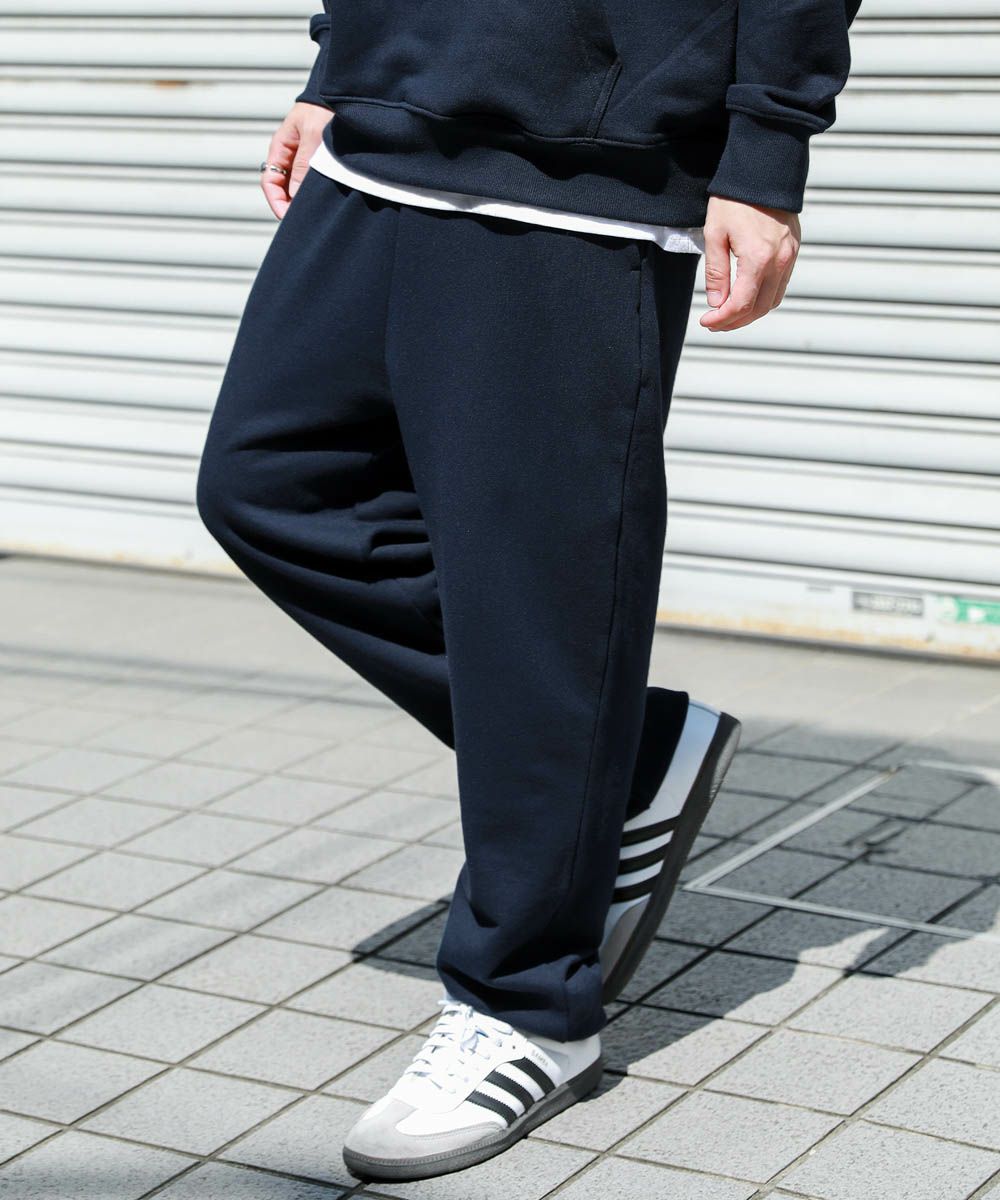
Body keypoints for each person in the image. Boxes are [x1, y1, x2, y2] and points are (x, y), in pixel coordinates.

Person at [195, 0, 860, 1181]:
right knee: (270, 485)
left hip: (583, 162)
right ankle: (623, 754)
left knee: (538, 591)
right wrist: (339, 60)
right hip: (384, 118)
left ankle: (528, 1004)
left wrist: (764, 150)